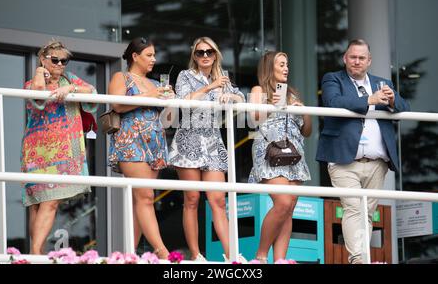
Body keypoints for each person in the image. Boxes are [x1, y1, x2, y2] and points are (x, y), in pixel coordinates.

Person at [316, 39, 410, 264]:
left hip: (377, 161)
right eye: (352, 57)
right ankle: (359, 259)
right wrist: (370, 99)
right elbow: (333, 102)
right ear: (345, 58)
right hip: (343, 159)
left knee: (367, 212)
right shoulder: (333, 78)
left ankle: (363, 258)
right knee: (354, 208)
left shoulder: (382, 82)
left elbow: (405, 108)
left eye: (361, 58)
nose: (356, 61)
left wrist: (391, 100)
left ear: (369, 61)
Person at [168, 37, 245, 262]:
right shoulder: (185, 75)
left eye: (209, 52)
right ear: (194, 56)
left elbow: (240, 97)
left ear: (215, 54)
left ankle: (232, 256)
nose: (204, 56)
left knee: (218, 200)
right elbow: (183, 100)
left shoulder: (222, 77)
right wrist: (210, 87)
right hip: (188, 139)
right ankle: (196, 255)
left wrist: (230, 95)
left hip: (212, 142)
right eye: (200, 52)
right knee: (191, 198)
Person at [21, 40, 98, 254]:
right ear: (43, 60)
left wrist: (72, 88)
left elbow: (92, 91)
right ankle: (35, 253)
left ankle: (35, 253)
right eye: (55, 60)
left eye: (64, 60)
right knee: (38, 202)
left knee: (50, 201)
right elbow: (37, 92)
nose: (60, 64)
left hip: (64, 150)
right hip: (39, 151)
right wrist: (40, 71)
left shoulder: (68, 78)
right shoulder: (32, 82)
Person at [108, 37, 174, 259]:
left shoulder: (156, 84)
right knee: (145, 196)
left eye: (154, 55)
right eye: (149, 55)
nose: (153, 59)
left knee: (142, 199)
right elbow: (116, 103)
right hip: (131, 140)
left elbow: (168, 119)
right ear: (135, 56)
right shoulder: (122, 77)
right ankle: (162, 252)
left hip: (155, 142)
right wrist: (150, 96)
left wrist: (171, 102)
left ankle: (130, 255)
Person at [248, 51, 312, 263]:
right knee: (283, 202)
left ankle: (281, 260)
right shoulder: (259, 90)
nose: (286, 68)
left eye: (287, 64)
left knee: (290, 206)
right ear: (269, 68)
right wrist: (274, 105)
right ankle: (261, 255)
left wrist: (304, 111)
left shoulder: (292, 93)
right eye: (281, 64)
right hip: (269, 150)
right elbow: (254, 118)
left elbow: (307, 131)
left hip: (293, 153)